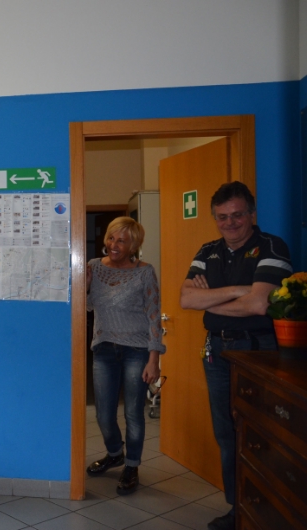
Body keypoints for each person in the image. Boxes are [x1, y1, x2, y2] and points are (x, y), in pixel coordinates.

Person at [180, 181, 291, 530]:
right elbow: (186, 299)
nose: (230, 223)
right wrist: (239, 291)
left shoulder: (271, 246)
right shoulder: (208, 250)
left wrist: (212, 299)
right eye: (222, 217)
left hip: (257, 351)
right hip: (217, 351)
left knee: (259, 432)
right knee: (226, 433)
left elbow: (258, 305)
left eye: (237, 215)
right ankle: (238, 506)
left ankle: (269, 507)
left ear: (252, 214)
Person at [86, 217, 164, 496]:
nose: (114, 245)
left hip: (137, 350)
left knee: (133, 413)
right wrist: (84, 285)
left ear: (134, 245)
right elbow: (87, 306)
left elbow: (154, 316)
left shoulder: (145, 272)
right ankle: (114, 453)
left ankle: (131, 466)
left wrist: (154, 359)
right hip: (104, 347)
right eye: (111, 238)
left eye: (122, 240)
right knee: (104, 414)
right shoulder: (94, 266)